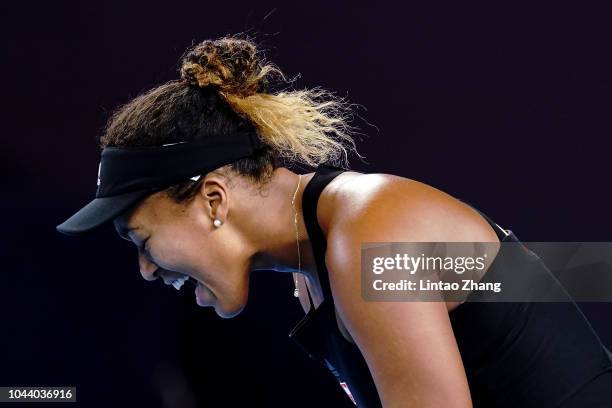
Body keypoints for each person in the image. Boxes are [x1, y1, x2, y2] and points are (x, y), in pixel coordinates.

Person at [56, 34, 612, 407]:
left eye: (144, 239)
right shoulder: (319, 268)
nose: (147, 269)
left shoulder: (370, 234)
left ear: (214, 201)